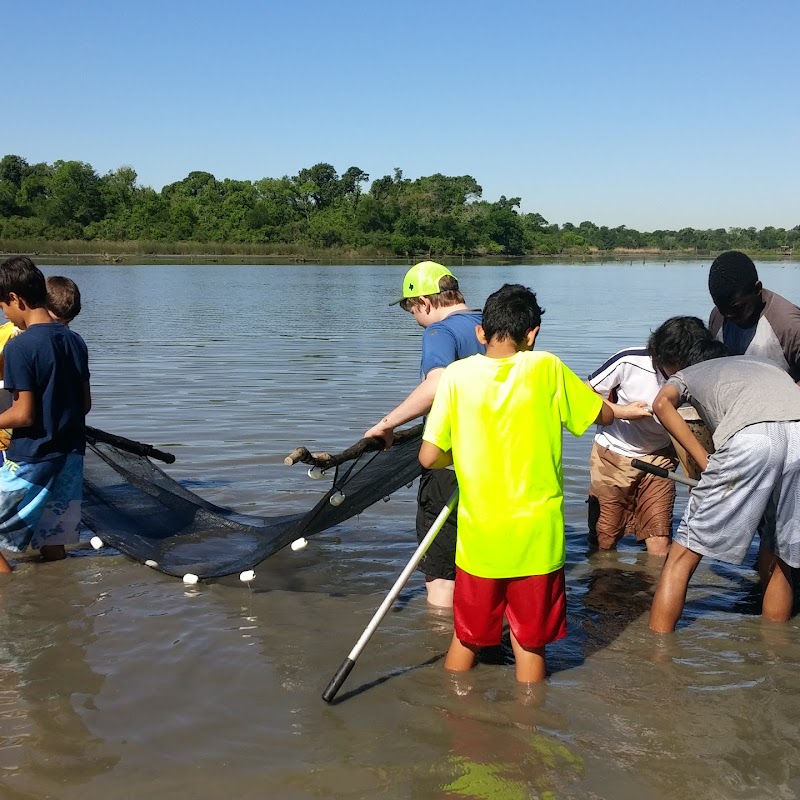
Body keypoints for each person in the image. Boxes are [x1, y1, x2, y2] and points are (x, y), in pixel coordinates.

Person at [418, 284, 650, 682]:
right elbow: (601, 415)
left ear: (480, 333)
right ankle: (530, 728)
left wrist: (461, 454)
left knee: (468, 637)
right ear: (533, 333)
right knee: (529, 642)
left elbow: (428, 456)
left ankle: (454, 721)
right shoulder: (547, 368)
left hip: (480, 539)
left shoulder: (456, 376)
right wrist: (619, 410)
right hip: (537, 537)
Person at [647, 316, 800, 633]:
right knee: (785, 557)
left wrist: (704, 460)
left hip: (751, 440)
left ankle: (656, 655)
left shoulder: (686, 375)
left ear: (671, 361)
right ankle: (774, 654)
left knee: (681, 557)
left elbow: (661, 405)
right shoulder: (762, 365)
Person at [364, 261, 484, 608]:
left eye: (409, 308)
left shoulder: (439, 332)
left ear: (426, 303)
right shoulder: (494, 327)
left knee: (442, 573)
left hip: (451, 468)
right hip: (499, 470)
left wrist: (387, 424)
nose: (413, 317)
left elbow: (437, 384)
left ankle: (442, 643)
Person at [0, 256, 91, 573]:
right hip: (69, 456)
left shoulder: (19, 347)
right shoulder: (76, 342)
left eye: (3, 307)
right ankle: (57, 597)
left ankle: (10, 598)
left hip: (32, 458)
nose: (5, 314)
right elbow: (85, 405)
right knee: (52, 539)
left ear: (16, 299)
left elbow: (23, 414)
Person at [586, 344, 683, 557]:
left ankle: (656, 587)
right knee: (606, 537)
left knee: (659, 537)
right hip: (614, 455)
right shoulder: (629, 360)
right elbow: (583, 394)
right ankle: (603, 585)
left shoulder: (693, 370)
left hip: (660, 455)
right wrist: (623, 412)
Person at [708, 250, 800, 382]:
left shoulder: (789, 326)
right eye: (722, 308)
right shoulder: (717, 317)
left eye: (737, 308)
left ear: (757, 289)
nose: (729, 315)